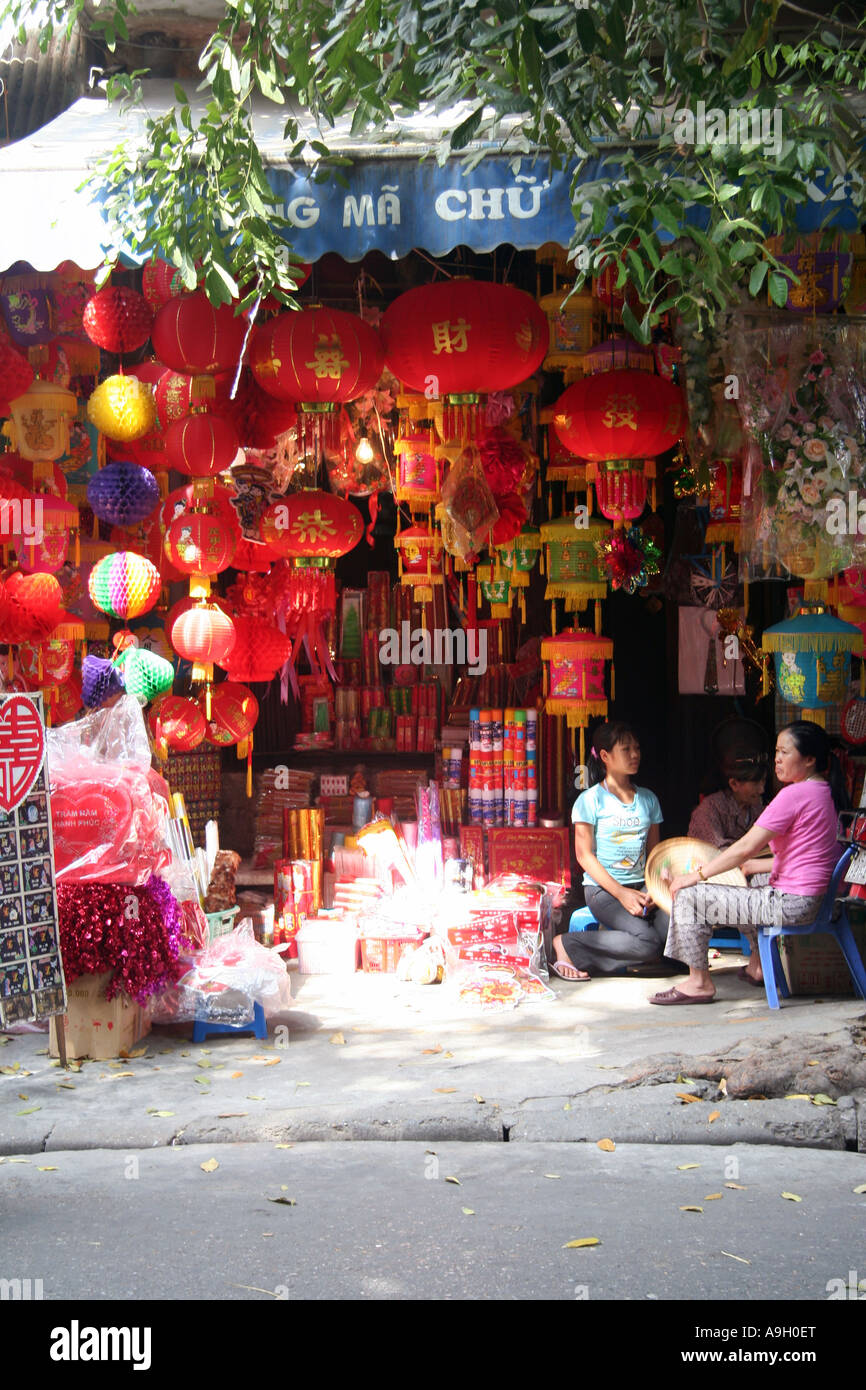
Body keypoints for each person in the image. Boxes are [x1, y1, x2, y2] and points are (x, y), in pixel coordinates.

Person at [650, 720, 847, 1006]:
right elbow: (806, 856)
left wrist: (697, 875)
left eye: (785, 752)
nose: (777, 759)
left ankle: (698, 982)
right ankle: (757, 967)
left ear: (809, 759)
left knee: (690, 896)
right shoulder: (822, 792)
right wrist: (759, 867)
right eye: (776, 752)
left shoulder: (794, 795)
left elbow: (745, 848)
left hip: (791, 904)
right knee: (753, 880)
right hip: (809, 901)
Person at [551, 720, 671, 980]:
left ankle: (635, 949)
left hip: (642, 887)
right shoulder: (589, 800)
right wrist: (621, 893)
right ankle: (568, 944)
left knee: (673, 927)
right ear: (605, 756)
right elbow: (584, 856)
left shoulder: (649, 799)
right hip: (603, 891)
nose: (635, 754)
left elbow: (656, 854)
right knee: (649, 942)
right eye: (626, 749)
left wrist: (651, 888)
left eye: (637, 748)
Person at [688, 755, 767, 850]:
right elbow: (715, 851)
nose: (761, 790)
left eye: (763, 781)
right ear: (734, 784)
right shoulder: (709, 809)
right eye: (755, 784)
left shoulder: (756, 807)